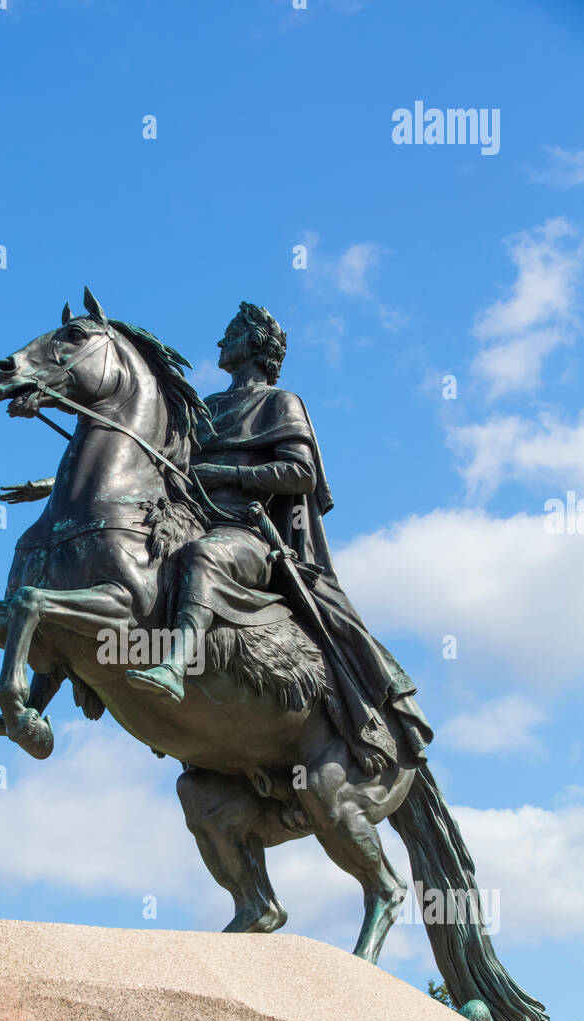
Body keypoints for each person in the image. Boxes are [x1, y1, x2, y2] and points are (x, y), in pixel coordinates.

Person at [125, 301, 432, 774]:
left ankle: (174, 663)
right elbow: (151, 466)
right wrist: (56, 488)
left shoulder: (279, 403)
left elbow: (300, 472)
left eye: (230, 333)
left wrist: (224, 472)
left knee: (203, 556)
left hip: (247, 535)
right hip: (188, 519)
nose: (220, 342)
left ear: (256, 343)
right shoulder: (203, 408)